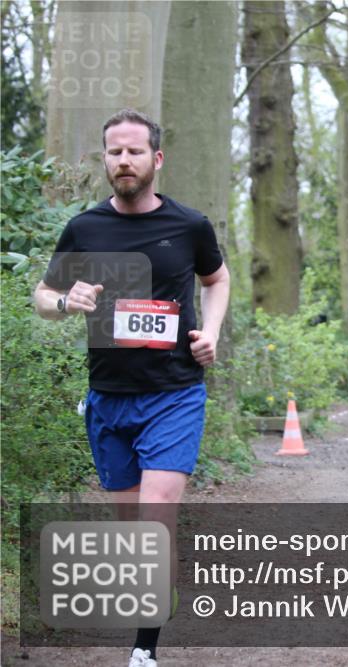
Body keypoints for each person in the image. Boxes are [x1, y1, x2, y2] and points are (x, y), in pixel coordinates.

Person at [34, 109, 230, 667]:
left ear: (156, 159)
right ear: (105, 159)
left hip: (174, 393)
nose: (124, 160)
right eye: (115, 152)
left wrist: (211, 332)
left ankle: (145, 649)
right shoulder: (85, 228)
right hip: (108, 397)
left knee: (156, 512)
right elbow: (42, 296)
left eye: (135, 151)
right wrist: (64, 301)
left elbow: (217, 279)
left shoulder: (190, 225)